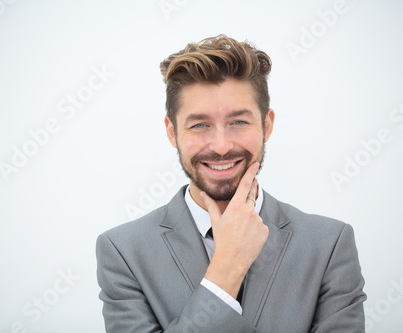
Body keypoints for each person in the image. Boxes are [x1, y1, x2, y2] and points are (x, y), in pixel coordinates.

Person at [96, 34, 366, 332]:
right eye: (200, 125)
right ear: (172, 132)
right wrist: (227, 269)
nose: (222, 146)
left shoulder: (329, 244)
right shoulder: (123, 251)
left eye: (238, 121)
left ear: (267, 125)